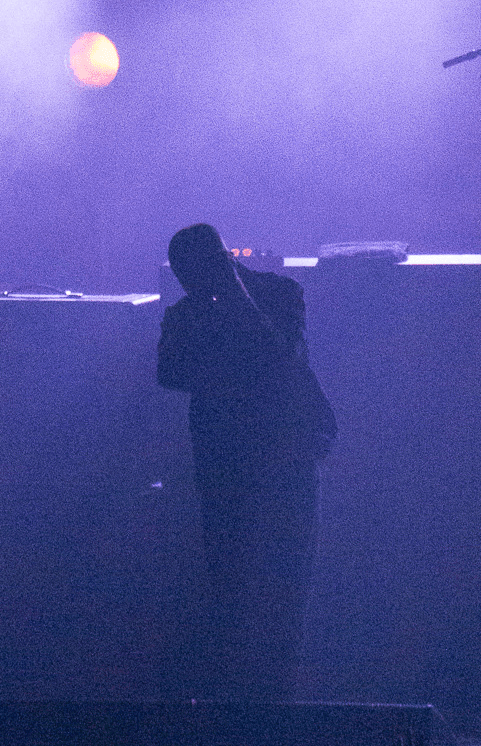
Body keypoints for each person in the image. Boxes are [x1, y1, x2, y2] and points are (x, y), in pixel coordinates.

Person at [157, 223, 336, 701]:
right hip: (226, 466)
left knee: (288, 579)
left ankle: (282, 693)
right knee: (229, 582)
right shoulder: (185, 314)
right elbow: (169, 372)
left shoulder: (280, 293)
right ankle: (234, 693)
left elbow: (282, 352)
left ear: (223, 261)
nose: (188, 286)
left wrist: (234, 298)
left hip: (285, 458)